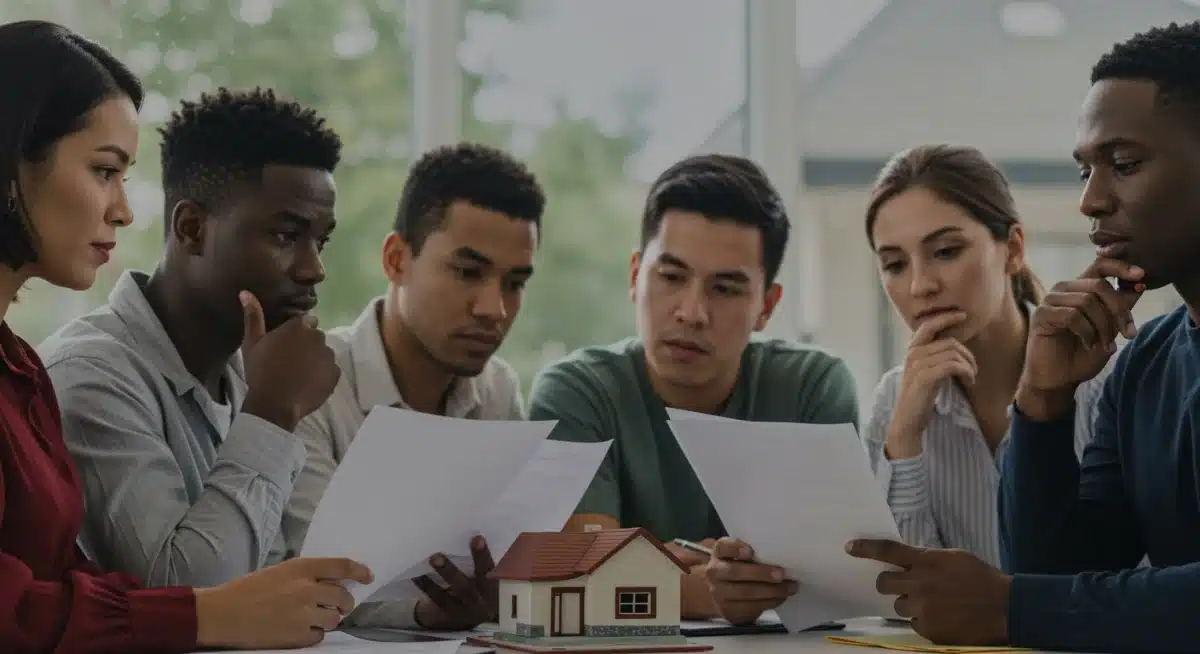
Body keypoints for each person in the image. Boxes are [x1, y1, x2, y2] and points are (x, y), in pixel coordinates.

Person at [708, 21, 1200, 652]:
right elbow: (1052, 577)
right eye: (1085, 171)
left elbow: (1029, 600)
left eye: (1125, 165)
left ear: (1010, 249)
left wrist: (1011, 604)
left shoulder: (1125, 369)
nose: (1091, 202)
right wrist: (1041, 404)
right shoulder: (1147, 368)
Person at [37, 88, 490, 627]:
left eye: (320, 241)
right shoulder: (91, 376)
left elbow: (287, 580)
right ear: (192, 228)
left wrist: (421, 613)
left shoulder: (249, 368)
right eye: (285, 235)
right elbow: (195, 602)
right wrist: (271, 412)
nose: (313, 269)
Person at [0, 20, 372, 652]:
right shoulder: (84, 373)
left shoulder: (21, 370)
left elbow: (86, 588)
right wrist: (273, 414)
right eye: (103, 170)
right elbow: (185, 595)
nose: (122, 209)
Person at [527, 153, 859, 619]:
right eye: (671, 277)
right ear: (635, 277)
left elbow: (830, 578)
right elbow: (579, 578)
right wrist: (704, 591)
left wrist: (649, 569)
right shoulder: (577, 391)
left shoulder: (814, 388)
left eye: (724, 289)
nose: (691, 312)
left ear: (767, 305)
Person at [283, 142, 544, 629]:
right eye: (468, 272)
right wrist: (424, 613)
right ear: (397, 259)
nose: (495, 308)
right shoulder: (313, 382)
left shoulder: (497, 390)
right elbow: (315, 579)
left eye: (515, 283)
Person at [861, 144, 1113, 565]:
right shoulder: (894, 401)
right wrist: (903, 438)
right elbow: (900, 593)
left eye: (946, 252)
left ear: (1013, 250)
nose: (920, 286)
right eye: (894, 264)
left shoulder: (1103, 378)